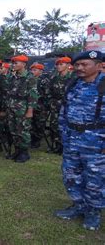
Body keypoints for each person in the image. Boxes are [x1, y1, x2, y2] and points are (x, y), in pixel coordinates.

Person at [55, 50, 105, 231]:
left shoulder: (103, 84)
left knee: (94, 180)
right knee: (71, 176)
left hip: (96, 141)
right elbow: (64, 111)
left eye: (85, 64)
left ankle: (93, 213)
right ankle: (78, 205)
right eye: (77, 65)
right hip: (72, 139)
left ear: (99, 65)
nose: (80, 68)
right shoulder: (73, 83)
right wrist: (63, 134)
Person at [1, 55, 38, 163]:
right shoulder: (12, 76)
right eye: (13, 63)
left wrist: (30, 110)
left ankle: (24, 152)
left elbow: (33, 94)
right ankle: (17, 150)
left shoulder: (29, 77)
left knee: (23, 130)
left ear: (23, 64)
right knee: (13, 129)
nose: (14, 65)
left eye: (16, 63)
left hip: (23, 108)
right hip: (11, 106)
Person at [49, 57, 73, 154]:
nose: (59, 66)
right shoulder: (54, 78)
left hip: (68, 105)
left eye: (61, 64)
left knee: (66, 126)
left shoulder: (73, 78)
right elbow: (49, 91)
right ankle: (57, 145)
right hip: (55, 105)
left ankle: (65, 146)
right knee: (54, 125)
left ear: (68, 65)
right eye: (58, 64)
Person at [29, 63, 50, 150]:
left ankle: (37, 141)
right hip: (33, 106)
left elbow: (47, 94)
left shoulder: (44, 80)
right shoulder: (31, 80)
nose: (32, 72)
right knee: (32, 123)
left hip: (41, 106)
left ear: (40, 71)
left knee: (39, 124)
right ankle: (32, 139)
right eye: (32, 70)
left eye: (35, 70)